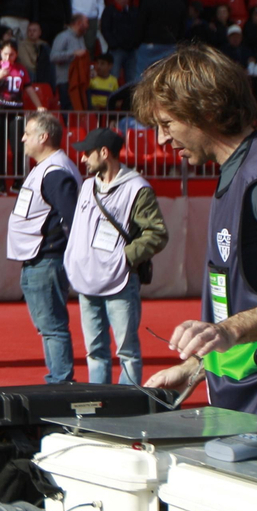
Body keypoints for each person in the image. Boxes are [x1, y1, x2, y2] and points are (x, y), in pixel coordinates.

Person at [140, 47, 257, 415]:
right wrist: (196, 367)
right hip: (253, 396)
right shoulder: (243, 168)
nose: (162, 140)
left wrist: (229, 330)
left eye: (167, 124)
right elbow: (250, 300)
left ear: (205, 110)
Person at [63, 127, 168, 386]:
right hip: (87, 280)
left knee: (127, 351)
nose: (83, 158)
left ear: (104, 153)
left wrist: (125, 257)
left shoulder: (137, 189)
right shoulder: (88, 186)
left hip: (120, 280)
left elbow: (157, 233)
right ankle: (97, 402)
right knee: (94, 351)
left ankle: (127, 406)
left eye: (88, 153)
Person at [6, 112, 82, 385]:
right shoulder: (48, 168)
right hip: (40, 258)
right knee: (49, 327)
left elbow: (73, 218)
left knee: (53, 327)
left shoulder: (55, 172)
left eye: (28, 133)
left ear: (44, 137)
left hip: (47, 259)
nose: (23, 138)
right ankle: (58, 381)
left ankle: (59, 384)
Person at [0, 38, 44, 194]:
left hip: (16, 109)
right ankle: (1, 186)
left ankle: (17, 183)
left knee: (19, 146)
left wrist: (39, 106)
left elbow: (29, 89)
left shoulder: (22, 70)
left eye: (11, 55)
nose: (8, 58)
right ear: (0, 53)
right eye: (5, 54)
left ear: (16, 55)